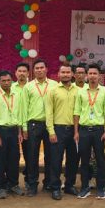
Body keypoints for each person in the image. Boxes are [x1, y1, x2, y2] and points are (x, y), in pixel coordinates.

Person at [74, 64, 105, 199]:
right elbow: (76, 112)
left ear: (99, 75)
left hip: (98, 130)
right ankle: (85, 187)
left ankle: (101, 188)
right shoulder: (81, 92)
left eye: (95, 73)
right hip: (84, 130)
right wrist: (76, 132)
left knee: (100, 160)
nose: (92, 76)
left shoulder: (104, 91)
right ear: (86, 76)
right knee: (84, 161)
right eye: (90, 73)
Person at [21, 59, 59, 196]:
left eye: (41, 67)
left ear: (46, 69)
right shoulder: (28, 87)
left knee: (51, 155)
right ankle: (32, 185)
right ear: (33, 71)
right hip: (33, 125)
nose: (39, 70)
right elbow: (24, 108)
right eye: (36, 68)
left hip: (50, 125)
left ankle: (48, 183)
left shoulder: (55, 85)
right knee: (32, 156)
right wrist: (24, 128)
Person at [45, 64, 80, 199]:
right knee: (56, 160)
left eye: (68, 72)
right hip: (58, 129)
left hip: (74, 129)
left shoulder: (78, 91)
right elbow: (49, 112)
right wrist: (51, 131)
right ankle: (55, 187)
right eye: (63, 72)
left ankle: (69, 185)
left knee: (73, 159)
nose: (65, 74)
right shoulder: (53, 91)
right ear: (58, 74)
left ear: (72, 74)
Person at [0, 70, 24, 199]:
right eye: (3, 81)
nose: (6, 83)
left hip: (14, 130)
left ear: (12, 81)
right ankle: (1, 187)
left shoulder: (17, 94)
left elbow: (19, 114)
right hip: (0, 131)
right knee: (0, 160)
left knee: (14, 159)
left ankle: (13, 184)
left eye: (9, 80)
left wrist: (19, 132)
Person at [14, 62, 31, 184]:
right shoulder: (10, 87)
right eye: (19, 71)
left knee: (29, 154)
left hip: (28, 125)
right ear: (15, 73)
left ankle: (28, 179)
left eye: (24, 71)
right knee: (14, 155)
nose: (22, 73)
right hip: (12, 125)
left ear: (28, 73)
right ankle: (12, 182)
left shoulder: (32, 87)